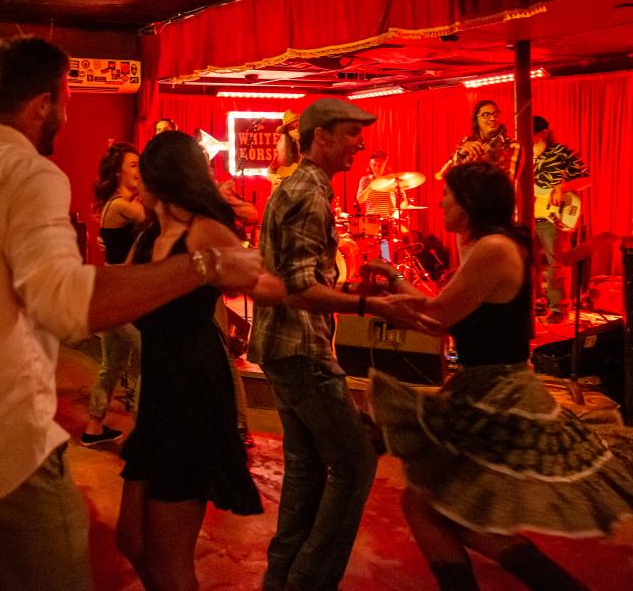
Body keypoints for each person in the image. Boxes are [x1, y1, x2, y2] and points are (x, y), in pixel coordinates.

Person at [0, 36, 262, 590]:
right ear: (44, 103)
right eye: (66, 98)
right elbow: (67, 306)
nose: (68, 111)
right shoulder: (30, 173)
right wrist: (206, 266)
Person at [367, 161, 633, 591]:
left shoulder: (493, 248)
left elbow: (437, 320)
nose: (440, 203)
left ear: (469, 204)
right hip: (485, 385)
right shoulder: (494, 244)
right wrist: (397, 283)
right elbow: (446, 314)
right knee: (448, 509)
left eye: (448, 197)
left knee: (426, 504)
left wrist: (380, 301)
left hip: (496, 391)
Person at [247, 98, 429, 591]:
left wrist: (352, 291)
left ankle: (280, 579)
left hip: (279, 346)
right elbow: (303, 291)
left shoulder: (295, 187)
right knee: (355, 465)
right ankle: (307, 581)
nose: (361, 144)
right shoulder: (310, 194)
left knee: (306, 468)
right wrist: (373, 307)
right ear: (321, 136)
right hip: (303, 352)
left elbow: (293, 279)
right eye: (352, 134)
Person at [116, 130, 263, 589]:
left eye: (141, 171)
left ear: (163, 177)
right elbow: (117, 292)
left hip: (192, 392)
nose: (135, 181)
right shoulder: (149, 234)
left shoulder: (203, 229)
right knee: (131, 540)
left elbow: (256, 279)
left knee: (167, 553)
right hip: (159, 393)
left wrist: (358, 304)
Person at [82, 142, 144, 447]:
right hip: (122, 293)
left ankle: (93, 426)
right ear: (119, 170)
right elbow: (154, 217)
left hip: (111, 290)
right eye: (133, 165)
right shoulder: (122, 205)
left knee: (111, 365)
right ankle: (138, 431)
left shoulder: (111, 204)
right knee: (150, 358)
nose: (138, 170)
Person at [532, 115, 591, 323]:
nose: (531, 142)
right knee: (525, 263)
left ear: (545, 133)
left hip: (553, 215)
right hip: (525, 217)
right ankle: (533, 304)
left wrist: (562, 187)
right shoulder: (519, 156)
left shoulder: (563, 153)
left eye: (534, 137)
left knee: (556, 263)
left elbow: (586, 178)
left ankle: (559, 308)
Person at [436, 99, 520, 182]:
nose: (493, 118)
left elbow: (507, 183)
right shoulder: (467, 142)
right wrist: (460, 154)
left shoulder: (511, 145)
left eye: (496, 114)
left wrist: (491, 161)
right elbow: (443, 174)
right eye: (486, 114)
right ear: (476, 119)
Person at [356, 149, 403, 217]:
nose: (376, 168)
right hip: (371, 220)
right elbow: (359, 201)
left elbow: (404, 201)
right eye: (374, 165)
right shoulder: (365, 180)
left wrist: (397, 212)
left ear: (385, 165)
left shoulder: (392, 179)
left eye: (380, 165)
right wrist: (370, 186)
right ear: (370, 164)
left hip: (390, 219)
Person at [267, 109, 301, 191]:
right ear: (287, 132)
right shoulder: (285, 150)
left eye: (298, 125)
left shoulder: (313, 147)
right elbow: (269, 171)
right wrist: (273, 178)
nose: (296, 130)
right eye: (291, 128)